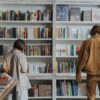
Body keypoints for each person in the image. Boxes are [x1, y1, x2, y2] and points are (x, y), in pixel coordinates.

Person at [76, 25, 100, 100]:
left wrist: (78, 75)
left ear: (92, 32)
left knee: (91, 97)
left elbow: (82, 59)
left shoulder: (87, 42)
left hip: (92, 74)